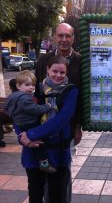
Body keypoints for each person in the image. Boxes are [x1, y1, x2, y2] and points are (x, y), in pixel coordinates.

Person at [17, 55, 79, 203]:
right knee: (35, 193)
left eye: (62, 72)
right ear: (47, 70)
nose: (58, 75)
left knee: (58, 195)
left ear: (66, 72)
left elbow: (62, 119)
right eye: (55, 71)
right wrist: (22, 138)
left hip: (58, 151)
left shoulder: (71, 91)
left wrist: (31, 134)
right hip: (33, 151)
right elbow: (19, 114)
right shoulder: (34, 88)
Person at [35, 22, 81, 202]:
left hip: (67, 126)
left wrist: (78, 125)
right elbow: (36, 91)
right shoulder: (42, 61)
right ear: (54, 37)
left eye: (67, 36)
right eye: (60, 35)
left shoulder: (80, 61)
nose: (64, 40)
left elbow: (82, 96)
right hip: (42, 124)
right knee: (44, 167)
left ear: (73, 38)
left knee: (64, 169)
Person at [4, 70, 56, 173]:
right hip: (29, 123)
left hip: (21, 123)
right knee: (40, 143)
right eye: (27, 85)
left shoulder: (14, 97)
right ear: (18, 86)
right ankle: (44, 163)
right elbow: (35, 109)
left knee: (33, 141)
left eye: (33, 85)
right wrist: (48, 106)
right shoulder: (24, 99)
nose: (31, 87)